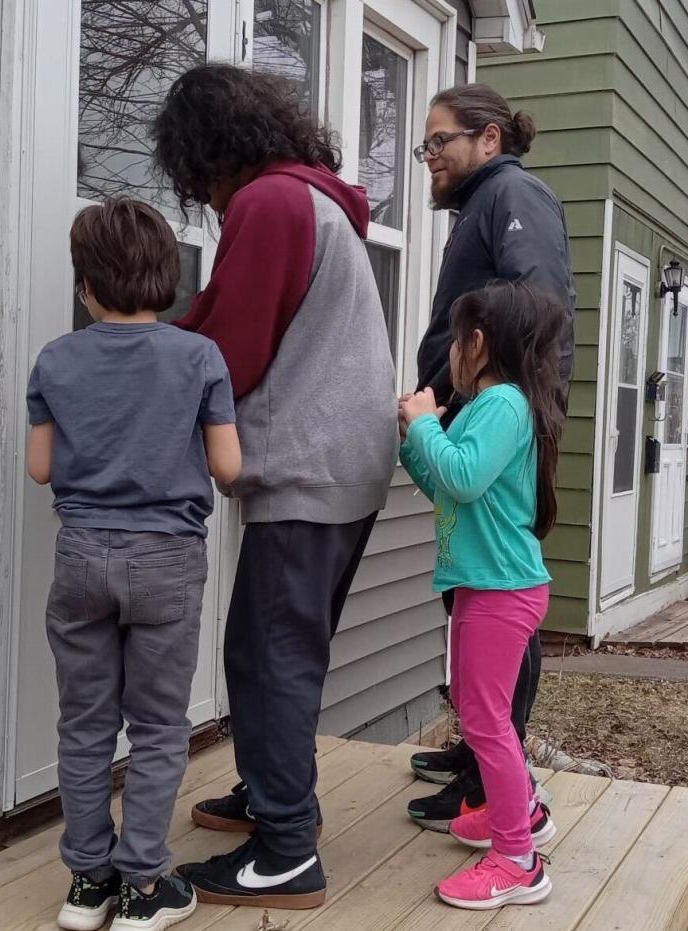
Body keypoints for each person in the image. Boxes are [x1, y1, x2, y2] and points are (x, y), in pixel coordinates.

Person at [152, 64, 398, 909]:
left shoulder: (269, 203)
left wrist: (126, 357)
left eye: (196, 178)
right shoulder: (314, 199)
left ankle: (288, 847)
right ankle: (270, 792)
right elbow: (226, 308)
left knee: (268, 658)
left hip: (310, 463)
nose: (207, 202)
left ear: (210, 151)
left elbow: (234, 345)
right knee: (276, 649)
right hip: (348, 459)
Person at [25, 198, 242, 931]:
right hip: (166, 560)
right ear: (166, 277)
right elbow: (228, 465)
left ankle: (87, 881)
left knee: (85, 723)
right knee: (155, 725)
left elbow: (39, 467)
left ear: (86, 285)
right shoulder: (199, 357)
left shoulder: (56, 358)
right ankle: (143, 886)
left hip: (81, 553)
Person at [405, 84, 577, 833]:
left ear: (490, 139)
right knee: (472, 598)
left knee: (499, 604)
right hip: (471, 409)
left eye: (441, 141)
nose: (430, 156)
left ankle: (491, 772)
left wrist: (462, 389)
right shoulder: (484, 203)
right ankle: (480, 747)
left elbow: (532, 306)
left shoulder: (514, 193)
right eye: (427, 145)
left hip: (497, 421)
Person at [399, 279, 567, 909]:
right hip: (484, 584)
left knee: (487, 721)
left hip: (504, 587)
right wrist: (415, 437)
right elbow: (444, 480)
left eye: (452, 340)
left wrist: (425, 427)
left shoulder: (502, 406)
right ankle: (521, 807)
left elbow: (464, 477)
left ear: (477, 343)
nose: (446, 353)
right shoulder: (485, 408)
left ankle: (518, 860)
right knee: (476, 709)